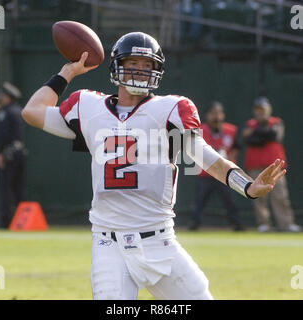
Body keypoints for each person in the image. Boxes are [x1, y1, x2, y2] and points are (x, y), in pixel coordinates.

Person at [22, 32, 287, 300]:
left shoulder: (171, 108)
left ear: (157, 70)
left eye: (147, 65)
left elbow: (207, 158)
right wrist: (67, 72)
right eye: (133, 62)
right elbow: (32, 112)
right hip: (108, 243)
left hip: (159, 240)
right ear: (117, 65)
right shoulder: (87, 106)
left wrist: (249, 187)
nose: (140, 70)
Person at [242, 97, 301, 233]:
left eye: (263, 109)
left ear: (269, 110)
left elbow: (275, 135)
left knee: (280, 196)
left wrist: (257, 134)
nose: (260, 113)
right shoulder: (249, 124)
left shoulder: (277, 122)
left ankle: (286, 224)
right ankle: (264, 224)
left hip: (275, 167)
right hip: (255, 166)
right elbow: (248, 139)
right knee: (258, 196)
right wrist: (263, 134)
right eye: (258, 110)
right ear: (254, 111)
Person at [190, 101, 245, 231]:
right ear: (207, 115)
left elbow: (237, 147)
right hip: (206, 173)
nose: (216, 117)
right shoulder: (199, 130)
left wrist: (228, 158)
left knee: (230, 201)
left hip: (224, 173)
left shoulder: (230, 130)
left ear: (223, 115)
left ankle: (237, 224)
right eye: (212, 113)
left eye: (218, 113)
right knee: (199, 201)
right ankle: (194, 224)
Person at [0, 81, 26, 229]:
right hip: (17, 154)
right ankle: (20, 222)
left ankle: (6, 223)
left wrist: (1, 154)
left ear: (9, 97)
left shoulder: (6, 113)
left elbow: (6, 137)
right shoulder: (16, 111)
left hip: (8, 156)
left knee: (5, 190)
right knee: (18, 189)